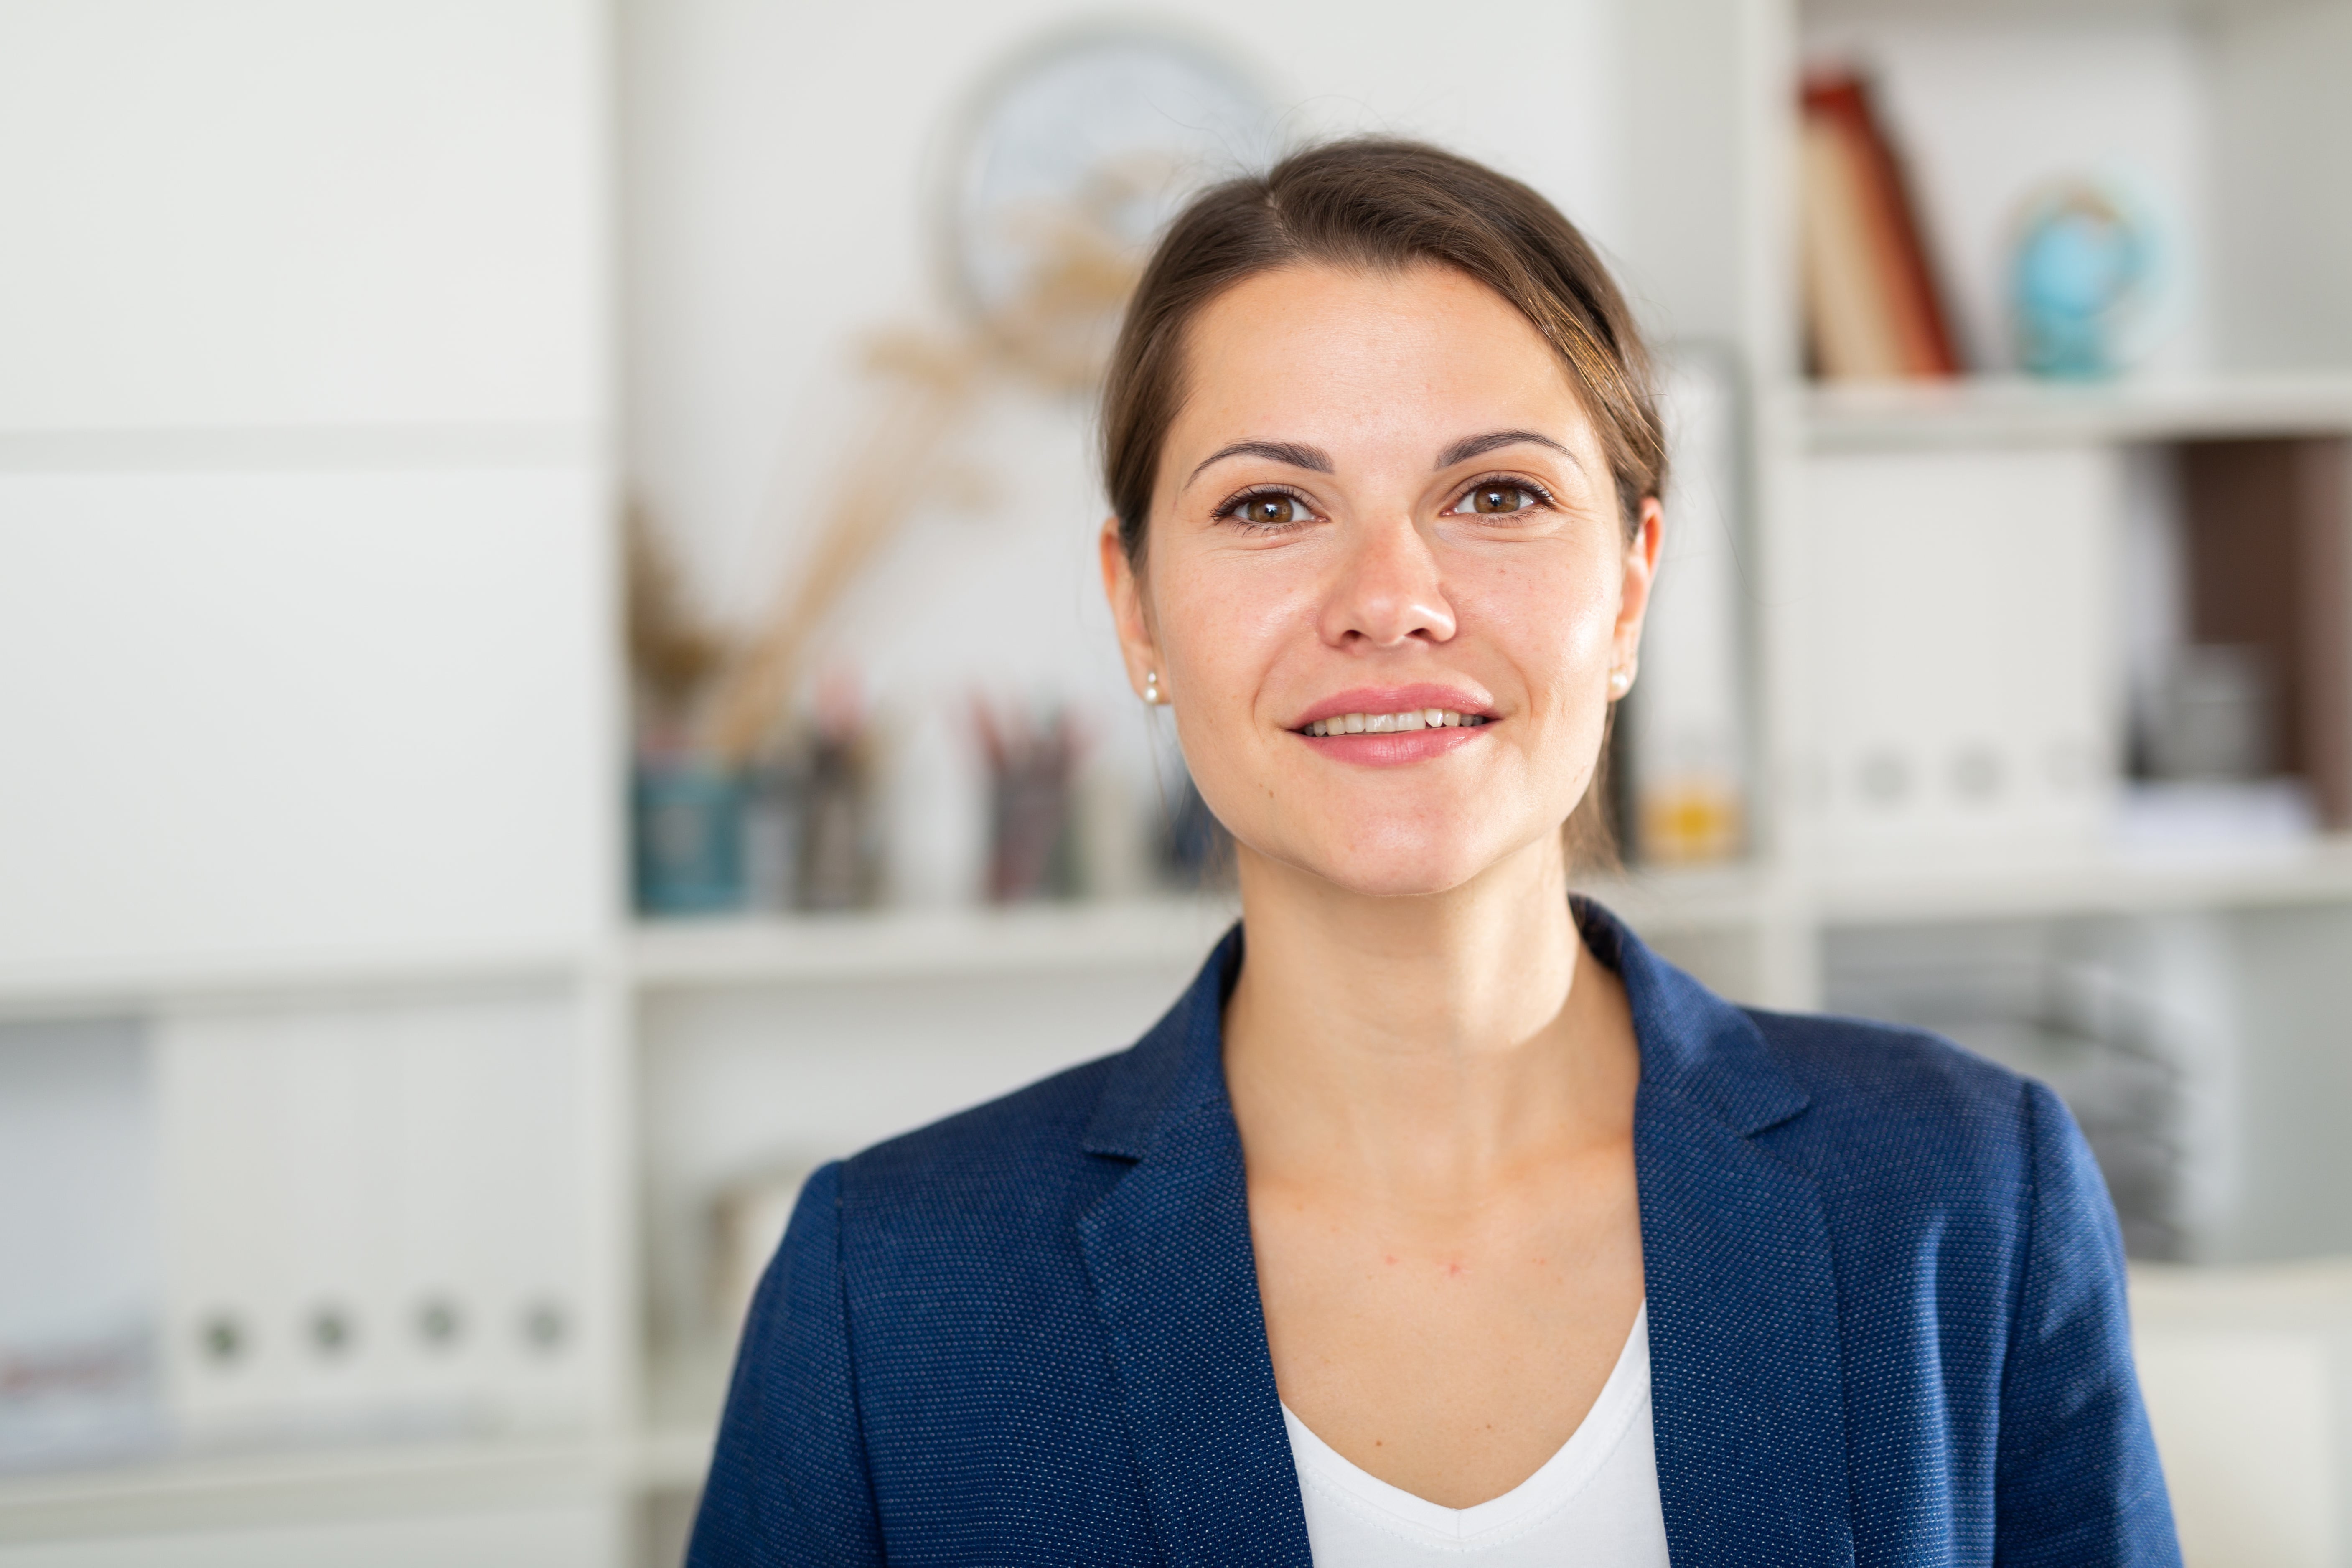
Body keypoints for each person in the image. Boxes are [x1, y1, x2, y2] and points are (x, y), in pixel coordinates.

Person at [688, 139, 2179, 1567]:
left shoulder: (1967, 1195)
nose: (1390, 598)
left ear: (1632, 591)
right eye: (1272, 504)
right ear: (1136, 608)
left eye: (1498, 495)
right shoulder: (886, 1291)